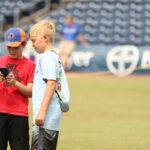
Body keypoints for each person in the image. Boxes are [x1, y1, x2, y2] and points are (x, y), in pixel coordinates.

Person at [29, 20, 63, 150]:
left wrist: (41, 112)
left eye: (33, 40)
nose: (32, 44)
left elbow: (51, 84)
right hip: (49, 120)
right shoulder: (52, 56)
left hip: (45, 120)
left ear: (45, 38)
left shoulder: (47, 57)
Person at [0, 27, 35, 150]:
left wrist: (15, 82)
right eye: (9, 47)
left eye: (16, 47)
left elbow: (31, 92)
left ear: (24, 44)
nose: (12, 50)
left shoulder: (31, 65)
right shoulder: (0, 61)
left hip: (19, 115)